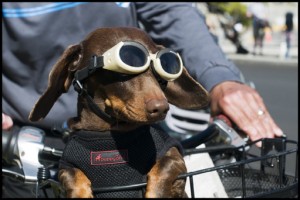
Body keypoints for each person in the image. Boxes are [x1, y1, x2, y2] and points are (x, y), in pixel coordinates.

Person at [2, 2, 283, 198]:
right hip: (24, 138)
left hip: (137, 135)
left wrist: (220, 78)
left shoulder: (157, 137)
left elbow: (170, 9)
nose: (160, 101)